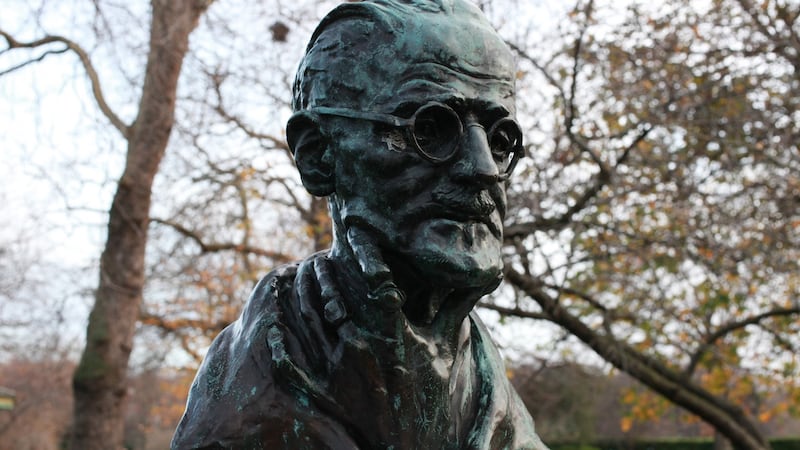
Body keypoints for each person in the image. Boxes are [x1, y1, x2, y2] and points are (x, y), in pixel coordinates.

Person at [171, 1, 548, 448]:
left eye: (501, 140)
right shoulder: (249, 391)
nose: (485, 168)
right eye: (430, 129)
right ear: (319, 156)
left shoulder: (487, 381)